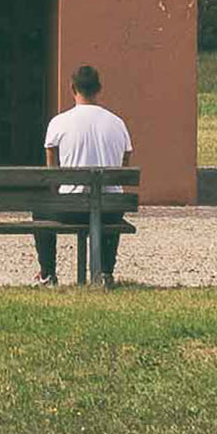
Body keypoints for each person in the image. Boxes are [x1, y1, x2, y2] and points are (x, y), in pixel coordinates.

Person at [34, 61, 139, 283]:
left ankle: (48, 273)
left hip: (70, 208)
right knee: (108, 206)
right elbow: (123, 166)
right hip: (110, 209)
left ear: (72, 88)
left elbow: (51, 173)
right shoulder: (117, 123)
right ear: (99, 89)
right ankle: (105, 272)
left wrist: (58, 195)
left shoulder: (58, 123)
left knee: (40, 211)